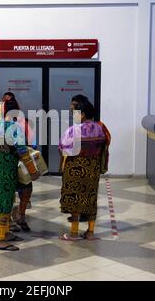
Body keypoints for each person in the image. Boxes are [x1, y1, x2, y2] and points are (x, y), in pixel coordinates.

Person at [0, 99, 40, 251]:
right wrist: (33, 171)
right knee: (5, 201)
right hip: (7, 168)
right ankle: (0, 239)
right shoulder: (15, 128)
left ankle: (7, 232)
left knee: (1, 198)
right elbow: (22, 151)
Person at [59, 100, 106, 240]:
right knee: (90, 198)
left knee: (75, 198)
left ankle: (73, 233)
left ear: (83, 114)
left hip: (75, 167)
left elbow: (63, 147)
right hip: (93, 167)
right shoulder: (100, 128)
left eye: (76, 113)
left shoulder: (74, 130)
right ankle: (90, 232)